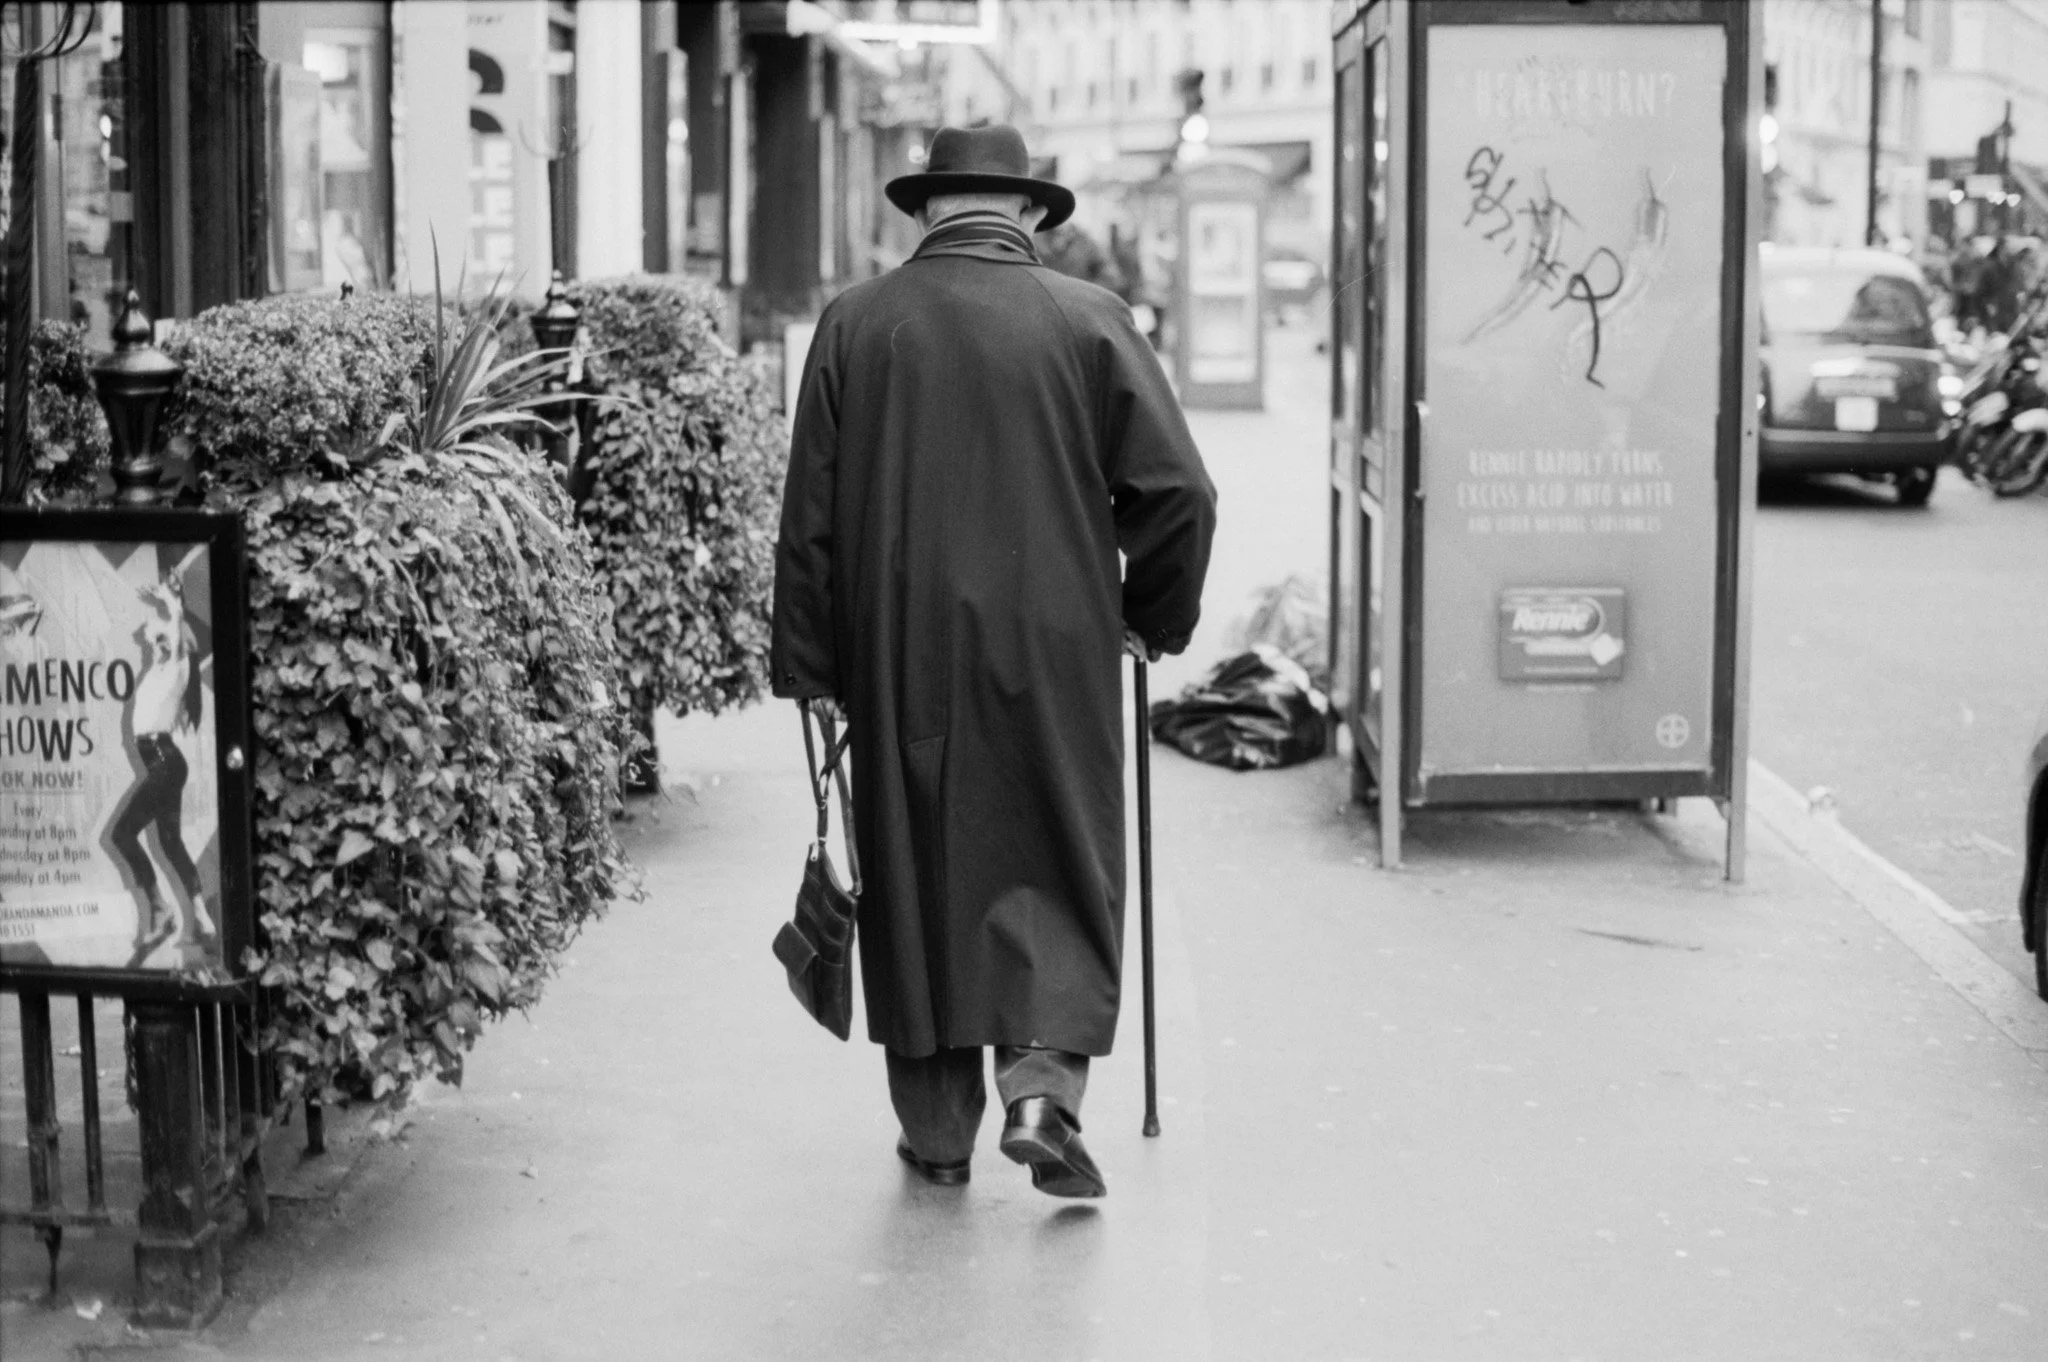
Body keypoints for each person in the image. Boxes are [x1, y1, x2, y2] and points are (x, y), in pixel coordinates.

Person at [771, 124, 1217, 1199]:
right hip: (1056, 644)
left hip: (897, 651)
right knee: (1053, 855)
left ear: (928, 211)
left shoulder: (855, 324)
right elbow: (1179, 496)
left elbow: (810, 524)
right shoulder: (1088, 321)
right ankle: (1039, 1092)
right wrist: (1144, 616)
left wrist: (812, 674)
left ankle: (935, 1134)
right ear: (1025, 214)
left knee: (919, 874)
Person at [115, 576, 214, 960]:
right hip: (163, 760)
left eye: (163, 643)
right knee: (170, 843)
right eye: (153, 643)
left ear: (179, 647)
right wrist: (157, 618)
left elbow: (173, 630)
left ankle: (161, 909)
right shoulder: (157, 672)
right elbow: (156, 635)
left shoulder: (178, 667)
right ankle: (202, 918)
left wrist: (173, 602)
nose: (155, 646)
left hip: (163, 760)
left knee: (123, 834)